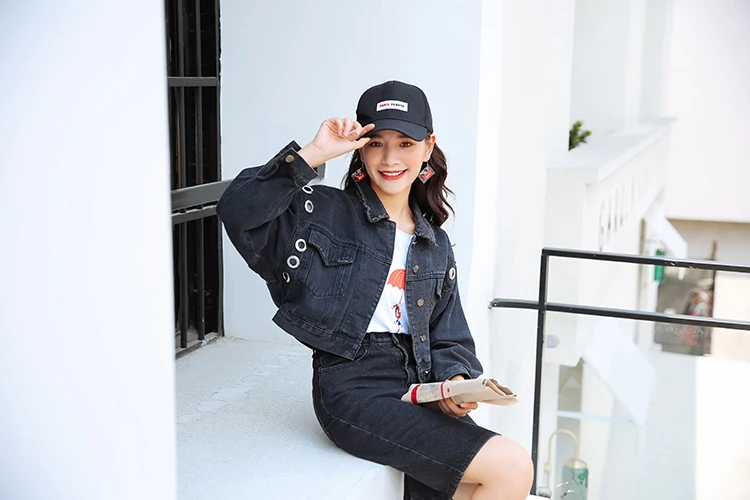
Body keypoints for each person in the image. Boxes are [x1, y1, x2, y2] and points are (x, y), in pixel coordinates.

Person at [216, 81, 533, 500]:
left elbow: (448, 334)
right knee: (512, 467)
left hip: (423, 387)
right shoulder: (323, 213)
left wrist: (455, 381)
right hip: (354, 387)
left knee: (470, 483)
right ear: (360, 149)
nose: (390, 158)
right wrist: (315, 152)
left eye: (405, 143)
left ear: (428, 146)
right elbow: (238, 210)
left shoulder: (434, 243)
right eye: (376, 143)